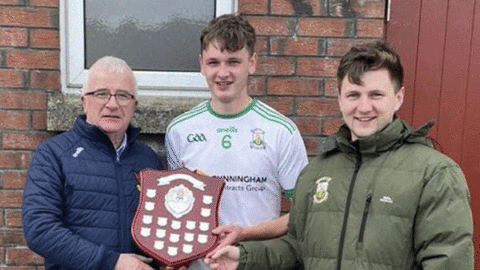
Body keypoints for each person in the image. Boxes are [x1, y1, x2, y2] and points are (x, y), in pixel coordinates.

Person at [205, 42, 474, 270]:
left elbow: (447, 261)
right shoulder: (318, 171)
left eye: (376, 95)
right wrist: (243, 257)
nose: (363, 107)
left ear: (398, 97)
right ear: (340, 98)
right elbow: (297, 247)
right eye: (353, 95)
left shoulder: (435, 174)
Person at [165, 14, 308, 269]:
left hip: (255, 264)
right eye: (213, 62)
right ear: (201, 65)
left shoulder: (281, 131)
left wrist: (245, 233)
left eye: (233, 62)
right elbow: (175, 207)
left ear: (252, 63)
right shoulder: (179, 131)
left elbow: (301, 215)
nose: (222, 73)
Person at [22, 56, 164, 270]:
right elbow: (40, 229)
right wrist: (112, 262)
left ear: (135, 105)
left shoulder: (148, 159)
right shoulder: (53, 154)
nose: (112, 104)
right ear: (83, 101)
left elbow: (162, 228)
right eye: (101, 94)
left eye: (123, 96)